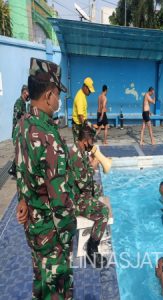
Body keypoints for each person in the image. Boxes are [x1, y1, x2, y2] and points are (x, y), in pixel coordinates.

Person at [15, 58, 76, 299]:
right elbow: (60, 202)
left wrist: (23, 200)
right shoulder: (50, 139)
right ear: (49, 95)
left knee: (40, 284)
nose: (58, 101)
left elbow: (20, 168)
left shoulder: (22, 124)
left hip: (33, 229)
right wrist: (67, 236)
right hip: (52, 239)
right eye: (58, 95)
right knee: (58, 291)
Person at [68, 123, 109, 267]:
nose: (91, 145)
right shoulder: (75, 156)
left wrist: (90, 162)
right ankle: (92, 250)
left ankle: (96, 233)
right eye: (91, 142)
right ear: (85, 140)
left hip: (79, 193)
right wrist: (93, 166)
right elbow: (83, 183)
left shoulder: (78, 150)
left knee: (98, 189)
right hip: (76, 200)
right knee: (104, 211)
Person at [8, 85, 30, 177]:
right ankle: (13, 169)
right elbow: (18, 114)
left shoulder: (23, 103)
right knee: (20, 150)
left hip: (22, 130)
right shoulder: (19, 102)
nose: (29, 95)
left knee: (22, 149)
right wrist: (26, 115)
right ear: (24, 92)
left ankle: (14, 169)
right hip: (18, 130)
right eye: (28, 92)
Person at [72, 77, 95, 142]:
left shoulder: (82, 94)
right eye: (89, 90)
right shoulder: (80, 97)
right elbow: (80, 116)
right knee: (79, 146)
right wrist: (85, 129)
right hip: (78, 125)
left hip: (81, 123)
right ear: (85, 87)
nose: (90, 92)